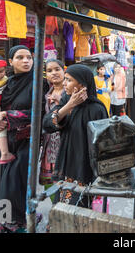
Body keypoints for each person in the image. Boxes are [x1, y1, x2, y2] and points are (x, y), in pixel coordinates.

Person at [0, 45, 49, 233]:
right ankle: (5, 225)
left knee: (13, 185)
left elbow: (38, 113)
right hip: (4, 140)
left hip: (26, 141)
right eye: (20, 57)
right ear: (10, 62)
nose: (26, 61)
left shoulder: (39, 82)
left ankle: (21, 223)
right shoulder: (5, 83)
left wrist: (5, 115)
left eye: (29, 57)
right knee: (2, 184)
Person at [42, 64, 108, 206]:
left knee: (79, 207)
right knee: (62, 206)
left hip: (84, 167)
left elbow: (102, 145)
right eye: (65, 79)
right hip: (66, 164)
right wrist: (69, 105)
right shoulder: (66, 100)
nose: (64, 83)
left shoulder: (97, 109)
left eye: (69, 80)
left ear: (82, 84)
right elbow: (47, 125)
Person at [39, 59, 64, 190]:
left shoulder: (71, 91)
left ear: (63, 70)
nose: (53, 73)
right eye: (49, 71)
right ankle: (56, 206)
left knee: (66, 183)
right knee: (50, 185)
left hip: (66, 142)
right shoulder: (46, 94)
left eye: (57, 69)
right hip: (50, 144)